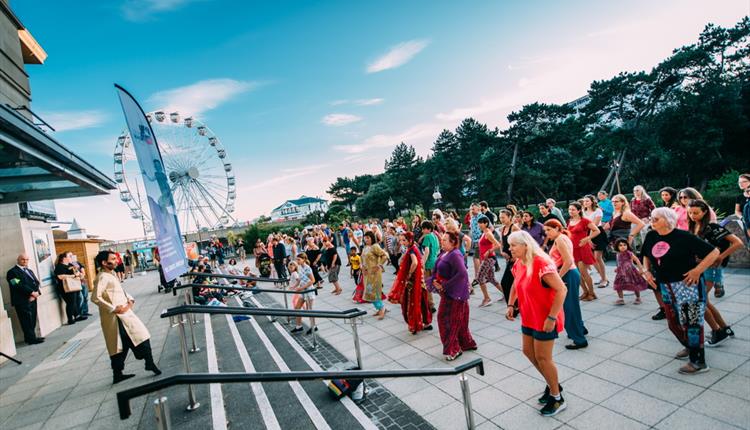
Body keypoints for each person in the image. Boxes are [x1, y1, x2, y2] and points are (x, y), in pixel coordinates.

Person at [641, 208, 719, 374]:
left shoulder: (683, 237)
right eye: (651, 218)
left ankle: (699, 362)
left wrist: (698, 270)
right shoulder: (651, 236)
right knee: (674, 322)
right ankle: (690, 347)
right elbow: (646, 254)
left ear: (668, 220)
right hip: (666, 287)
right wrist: (646, 271)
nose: (652, 221)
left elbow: (714, 252)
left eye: (656, 218)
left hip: (688, 286)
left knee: (692, 323)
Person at [505, 230, 568, 416]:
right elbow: (516, 284)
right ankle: (553, 383)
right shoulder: (519, 263)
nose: (510, 249)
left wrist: (552, 317)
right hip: (529, 315)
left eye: (513, 245)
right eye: (510, 245)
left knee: (543, 358)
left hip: (545, 317)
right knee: (528, 352)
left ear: (526, 245)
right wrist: (511, 303)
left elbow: (562, 290)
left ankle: (557, 398)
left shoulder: (541, 264)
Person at [92, 250, 161, 384]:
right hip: (116, 317)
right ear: (104, 263)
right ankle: (122, 372)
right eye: (113, 259)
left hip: (125, 313)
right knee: (121, 345)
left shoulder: (110, 274)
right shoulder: (102, 277)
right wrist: (114, 309)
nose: (116, 260)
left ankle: (147, 364)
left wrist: (130, 300)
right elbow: (95, 297)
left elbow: (119, 291)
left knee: (139, 337)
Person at [688, 199, 743, 346]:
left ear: (705, 212)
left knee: (700, 301)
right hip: (700, 268)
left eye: (696, 213)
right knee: (704, 301)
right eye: (690, 212)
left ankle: (718, 332)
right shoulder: (693, 226)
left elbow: (738, 242)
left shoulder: (712, 227)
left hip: (711, 269)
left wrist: (720, 257)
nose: (693, 215)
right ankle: (724, 328)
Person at [427, 232, 477, 360]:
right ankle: (464, 343)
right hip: (448, 293)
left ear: (453, 242)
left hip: (456, 294)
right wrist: (434, 280)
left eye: (445, 240)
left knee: (449, 320)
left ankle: (453, 349)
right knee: (457, 320)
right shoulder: (444, 253)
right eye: (442, 240)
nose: (441, 242)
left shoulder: (455, 254)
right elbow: (436, 268)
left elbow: (463, 274)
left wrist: (445, 285)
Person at [543, 220, 587, 350]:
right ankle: (580, 329)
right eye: (545, 230)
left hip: (568, 273)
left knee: (569, 308)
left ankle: (579, 339)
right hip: (570, 273)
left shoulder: (560, 239)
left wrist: (558, 278)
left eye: (549, 230)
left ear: (557, 228)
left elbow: (568, 261)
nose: (546, 233)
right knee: (573, 306)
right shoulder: (562, 237)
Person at [388, 232, 433, 334]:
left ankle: (415, 324)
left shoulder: (412, 250)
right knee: (422, 301)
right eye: (401, 240)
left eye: (404, 240)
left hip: (414, 282)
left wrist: (409, 273)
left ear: (410, 240)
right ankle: (425, 323)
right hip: (419, 280)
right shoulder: (414, 248)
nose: (402, 242)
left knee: (412, 302)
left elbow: (415, 263)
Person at [6, 254, 44, 344]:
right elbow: (17, 284)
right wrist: (31, 293)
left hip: (33, 298)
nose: (25, 261)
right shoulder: (12, 272)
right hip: (22, 301)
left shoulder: (29, 270)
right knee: (26, 320)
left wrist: (37, 293)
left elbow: (36, 282)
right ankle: (31, 339)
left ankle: (31, 337)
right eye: (23, 259)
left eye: (27, 259)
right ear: (18, 259)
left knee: (32, 318)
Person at [567, 202, 600, 301]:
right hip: (573, 249)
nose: (571, 211)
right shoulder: (569, 221)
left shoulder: (585, 221)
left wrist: (587, 238)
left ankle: (592, 293)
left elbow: (597, 230)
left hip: (582, 248)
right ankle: (585, 292)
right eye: (569, 209)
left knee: (584, 272)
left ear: (579, 210)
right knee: (577, 273)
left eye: (573, 209)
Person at [476, 216, 503, 307]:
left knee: (479, 278)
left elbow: (498, 244)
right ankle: (506, 293)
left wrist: (489, 251)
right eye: (478, 223)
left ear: (486, 223)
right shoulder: (484, 233)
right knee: (491, 278)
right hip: (486, 258)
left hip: (489, 258)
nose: (479, 225)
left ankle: (487, 299)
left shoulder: (488, 233)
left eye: (481, 223)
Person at [582, 195, 609, 288]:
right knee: (592, 259)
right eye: (584, 201)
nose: (585, 203)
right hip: (587, 235)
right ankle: (602, 277)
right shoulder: (583, 212)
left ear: (592, 202)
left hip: (597, 234)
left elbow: (594, 225)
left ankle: (605, 279)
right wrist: (587, 238)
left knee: (598, 257)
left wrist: (589, 238)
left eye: (587, 201)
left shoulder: (598, 211)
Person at [611, 239, 649, 305]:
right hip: (621, 272)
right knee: (618, 284)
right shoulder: (618, 254)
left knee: (634, 284)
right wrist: (618, 268)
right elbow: (619, 263)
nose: (623, 247)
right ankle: (621, 299)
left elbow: (636, 260)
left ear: (627, 246)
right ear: (617, 247)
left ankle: (638, 298)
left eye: (624, 245)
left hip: (630, 271)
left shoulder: (629, 253)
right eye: (620, 245)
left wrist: (640, 269)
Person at [362, 231, 389, 319]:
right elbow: (363, 259)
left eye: (368, 238)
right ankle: (379, 308)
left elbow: (384, 255)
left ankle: (382, 309)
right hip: (367, 274)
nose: (366, 240)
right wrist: (362, 267)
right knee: (369, 292)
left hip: (375, 273)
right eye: (365, 238)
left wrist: (379, 265)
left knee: (374, 292)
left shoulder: (375, 246)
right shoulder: (366, 247)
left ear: (372, 238)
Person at [498, 209, 520, 314]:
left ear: (509, 217)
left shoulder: (514, 228)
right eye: (500, 217)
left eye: (503, 217)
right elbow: (501, 244)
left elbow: (522, 243)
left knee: (506, 283)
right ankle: (514, 306)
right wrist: (502, 252)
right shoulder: (502, 229)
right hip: (508, 259)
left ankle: (514, 307)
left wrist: (516, 257)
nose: (501, 219)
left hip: (515, 260)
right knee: (509, 283)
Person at [289, 256, 317, 335]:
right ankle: (299, 326)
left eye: (299, 259)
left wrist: (301, 288)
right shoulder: (300, 267)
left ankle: (313, 326)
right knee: (297, 307)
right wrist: (294, 287)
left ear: (304, 259)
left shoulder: (307, 268)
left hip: (309, 291)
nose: (297, 261)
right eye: (297, 259)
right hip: (303, 290)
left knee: (309, 309)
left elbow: (313, 280)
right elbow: (300, 279)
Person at [54, 252, 84, 325]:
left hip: (74, 286)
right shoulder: (59, 266)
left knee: (75, 301)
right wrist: (73, 276)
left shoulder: (70, 265)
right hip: (65, 287)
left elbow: (77, 272)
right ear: (64, 258)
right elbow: (60, 276)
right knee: (70, 303)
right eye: (69, 256)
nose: (71, 257)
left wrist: (79, 274)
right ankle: (70, 319)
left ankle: (77, 315)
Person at [420, 221, 440, 311]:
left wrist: (422, 263)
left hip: (428, 264)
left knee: (427, 285)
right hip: (435, 262)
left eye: (424, 228)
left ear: (428, 229)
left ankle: (431, 305)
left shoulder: (427, 237)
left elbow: (426, 251)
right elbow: (438, 249)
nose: (422, 230)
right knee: (437, 283)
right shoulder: (435, 236)